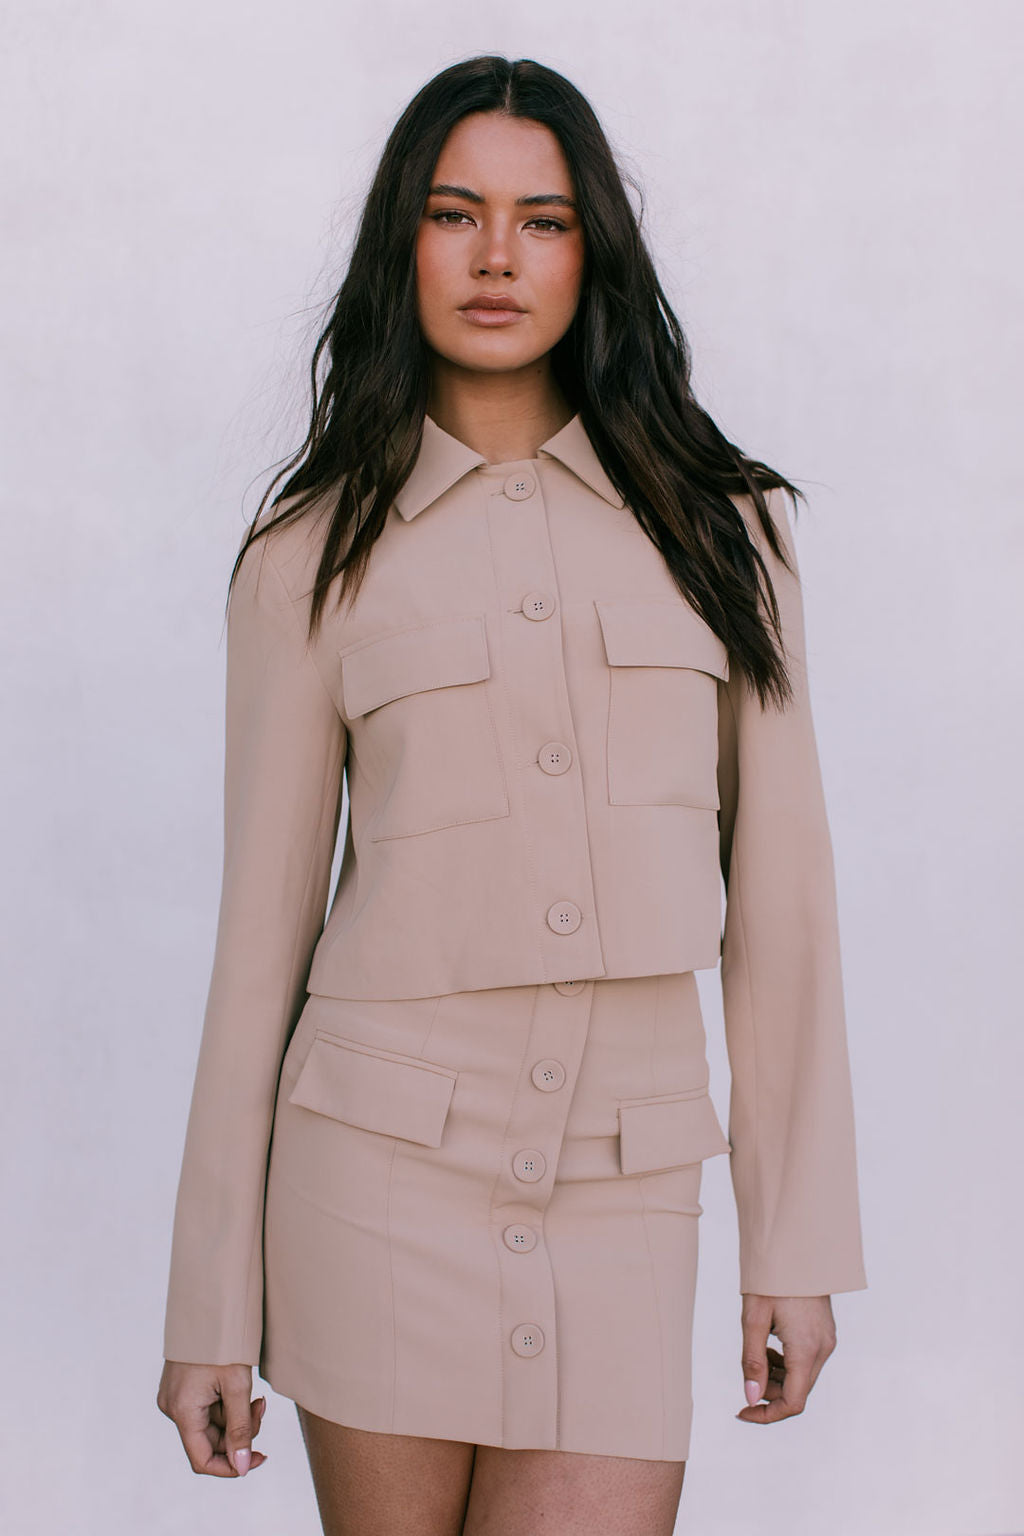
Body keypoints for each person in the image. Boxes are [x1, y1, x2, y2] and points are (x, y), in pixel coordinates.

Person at [156, 53, 867, 1536]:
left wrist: (791, 1241)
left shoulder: (730, 531)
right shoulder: (309, 557)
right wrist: (208, 1299)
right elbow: (261, 944)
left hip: (628, 1186)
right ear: (398, 245)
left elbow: (784, 909)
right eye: (454, 212)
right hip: (374, 1178)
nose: (495, 257)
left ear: (592, 249)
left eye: (541, 219)